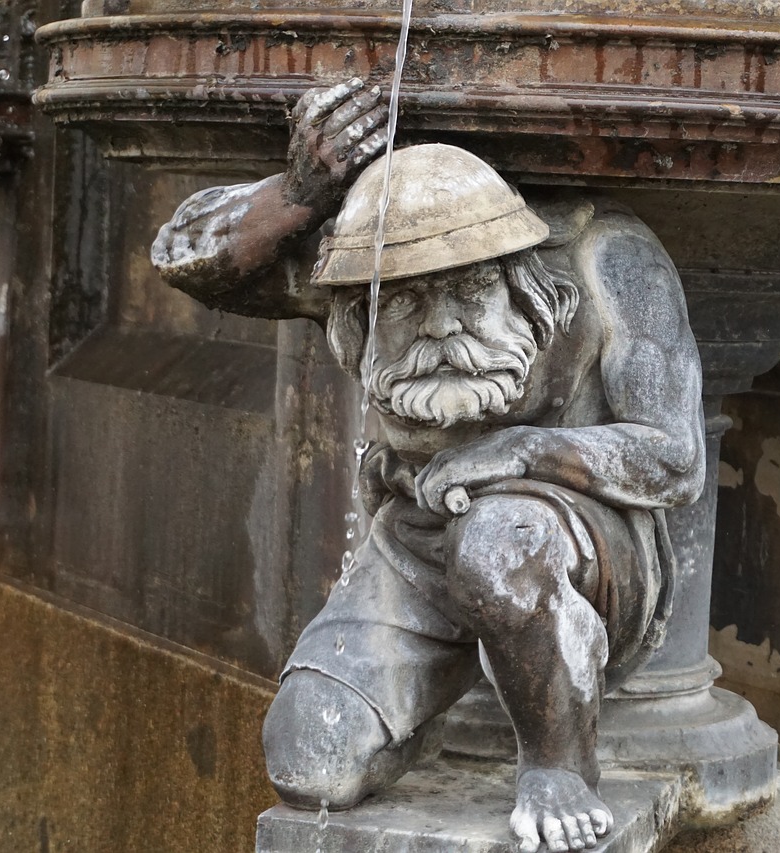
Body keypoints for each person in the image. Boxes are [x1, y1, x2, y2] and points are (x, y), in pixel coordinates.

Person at [151, 78, 704, 853]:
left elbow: (676, 459)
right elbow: (179, 253)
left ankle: (559, 766)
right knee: (310, 756)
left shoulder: (602, 260)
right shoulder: (359, 263)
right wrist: (301, 192)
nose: (442, 324)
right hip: (418, 542)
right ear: (368, 303)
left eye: (473, 289)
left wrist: (516, 450)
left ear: (521, 278)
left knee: (496, 541)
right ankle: (435, 688)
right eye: (408, 303)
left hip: (585, 544)